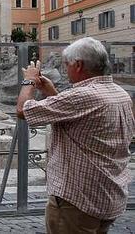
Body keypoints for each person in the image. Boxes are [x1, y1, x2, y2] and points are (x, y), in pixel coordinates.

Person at [17, 37, 134, 234]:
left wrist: (28, 80)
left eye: (66, 64)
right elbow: (77, 118)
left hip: (77, 200)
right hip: (108, 195)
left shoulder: (82, 96)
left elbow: (23, 110)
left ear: (78, 65)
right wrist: (51, 92)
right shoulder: (120, 93)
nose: (65, 69)